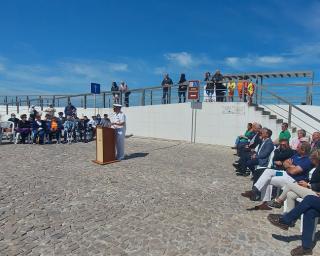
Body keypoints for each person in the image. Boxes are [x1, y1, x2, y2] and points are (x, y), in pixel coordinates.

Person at [241, 142, 312, 209]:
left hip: (292, 179)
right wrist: (291, 166)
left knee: (267, 179)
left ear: (303, 150)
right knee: (268, 171)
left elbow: (293, 172)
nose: (296, 148)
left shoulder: (307, 161)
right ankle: (255, 191)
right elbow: (285, 163)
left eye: (298, 147)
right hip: (284, 173)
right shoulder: (297, 155)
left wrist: (288, 166)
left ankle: (262, 201)